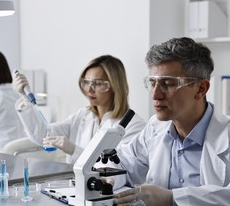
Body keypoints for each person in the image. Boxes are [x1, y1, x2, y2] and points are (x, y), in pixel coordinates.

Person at [113, 37, 230, 206]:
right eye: (152, 82)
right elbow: (123, 162)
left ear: (201, 88)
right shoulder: (155, 129)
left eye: (168, 83)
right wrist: (108, 176)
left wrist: (173, 200)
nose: (155, 94)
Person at [13, 55, 146, 164]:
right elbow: (44, 136)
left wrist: (74, 150)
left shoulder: (133, 126)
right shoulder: (83, 115)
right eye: (86, 82)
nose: (89, 89)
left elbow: (116, 169)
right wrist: (25, 97)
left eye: (98, 83)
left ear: (115, 86)